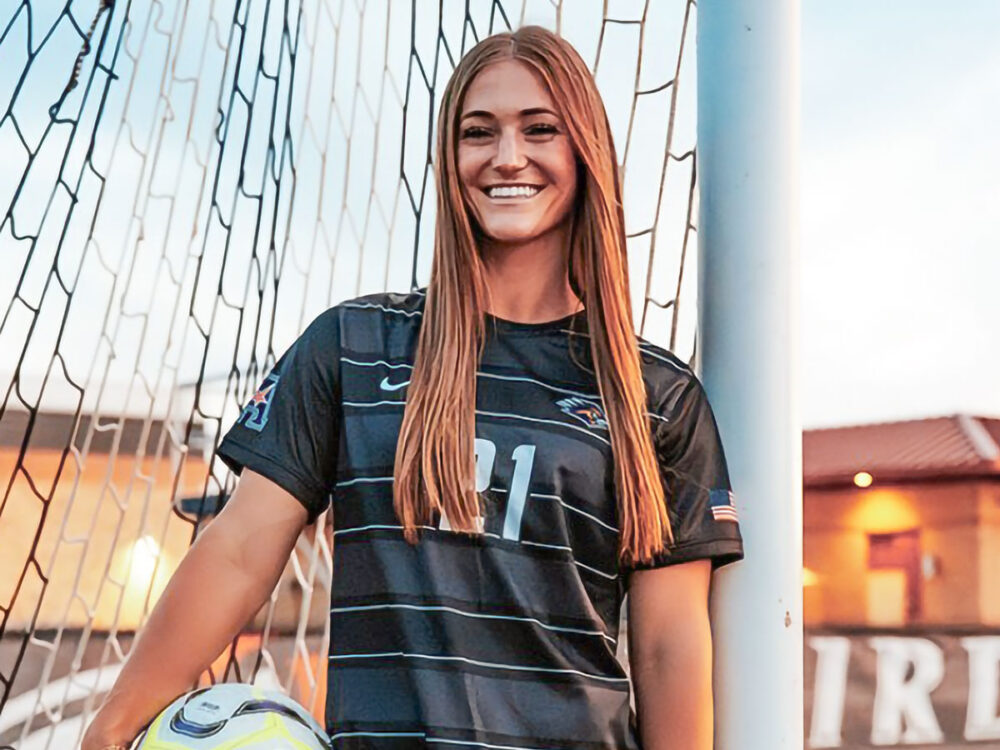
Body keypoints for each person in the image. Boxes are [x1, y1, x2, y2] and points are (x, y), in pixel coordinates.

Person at [82, 24, 744, 750]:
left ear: (584, 149)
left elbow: (667, 646)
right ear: (449, 157)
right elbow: (240, 548)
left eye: (540, 128)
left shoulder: (654, 393)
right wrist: (114, 724)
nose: (507, 156)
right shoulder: (353, 346)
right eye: (478, 131)